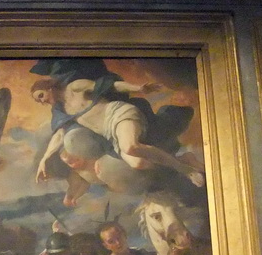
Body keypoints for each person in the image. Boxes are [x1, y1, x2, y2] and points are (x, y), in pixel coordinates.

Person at [33, 77, 205, 187]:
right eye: (38, 101)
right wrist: (44, 159)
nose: (42, 101)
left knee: (130, 147)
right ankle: (183, 159)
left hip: (117, 114)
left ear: (48, 87)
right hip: (110, 134)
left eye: (40, 95)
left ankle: (185, 170)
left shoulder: (74, 87)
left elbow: (111, 86)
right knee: (137, 163)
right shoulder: (61, 111)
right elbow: (59, 135)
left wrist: (137, 88)